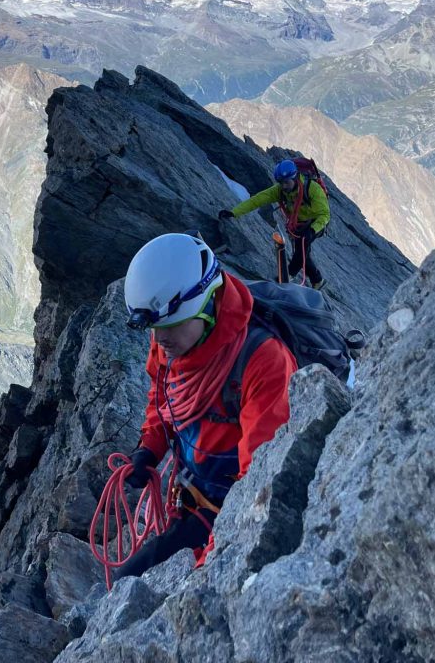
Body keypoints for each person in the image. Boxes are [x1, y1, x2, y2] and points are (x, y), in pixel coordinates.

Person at [118, 233, 296, 578]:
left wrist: (208, 568)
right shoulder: (173, 342)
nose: (159, 340)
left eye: (168, 326)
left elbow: (261, 481)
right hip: (191, 500)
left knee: (135, 582)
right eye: (154, 329)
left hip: (227, 512)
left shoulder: (263, 361)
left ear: (207, 305)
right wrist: (150, 448)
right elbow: (162, 398)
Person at [219, 159, 330, 290]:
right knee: (303, 251)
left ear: (295, 177)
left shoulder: (312, 189)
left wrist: (312, 230)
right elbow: (257, 200)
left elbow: (324, 215)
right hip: (299, 224)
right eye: (281, 183)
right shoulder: (280, 190)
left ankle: (287, 275)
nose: (284, 186)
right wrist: (234, 212)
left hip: (317, 222)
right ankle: (318, 280)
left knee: (303, 242)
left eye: (286, 183)